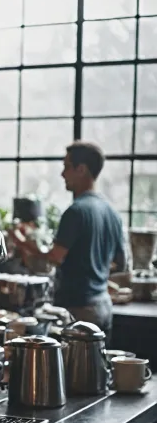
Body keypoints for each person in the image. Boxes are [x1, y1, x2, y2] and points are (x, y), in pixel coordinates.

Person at [13, 141, 126, 338]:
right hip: (103, 305)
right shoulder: (112, 212)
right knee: (97, 367)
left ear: (81, 169)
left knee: (72, 367)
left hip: (80, 308)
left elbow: (56, 257)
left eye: (66, 167)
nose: (62, 174)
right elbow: (119, 263)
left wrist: (21, 241)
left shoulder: (76, 211)